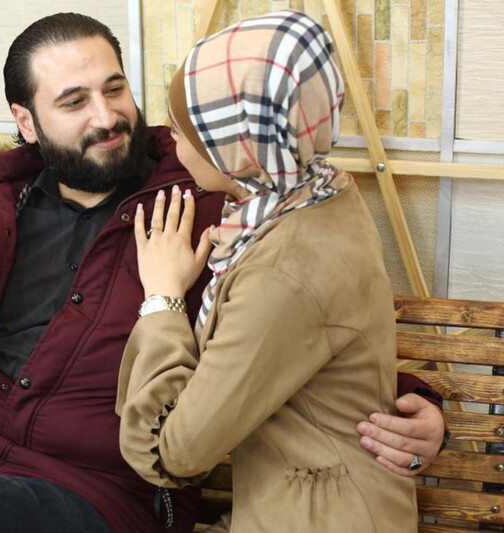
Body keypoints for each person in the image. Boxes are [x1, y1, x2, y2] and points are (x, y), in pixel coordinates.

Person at [0, 12, 443, 533]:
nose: (108, 117)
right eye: (74, 102)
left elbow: (298, 313)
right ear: (26, 120)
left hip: (104, 497)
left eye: (115, 89)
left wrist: (416, 402)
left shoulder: (207, 189)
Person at [117, 11, 430, 532]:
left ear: (239, 143)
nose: (171, 140)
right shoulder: (316, 192)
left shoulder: (285, 270)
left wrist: (163, 299)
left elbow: (171, 453)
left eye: (189, 127)